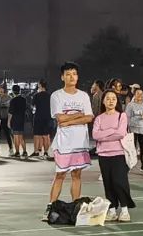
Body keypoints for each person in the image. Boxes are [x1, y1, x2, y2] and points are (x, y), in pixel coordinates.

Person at [44, 62, 94, 222]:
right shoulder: (57, 95)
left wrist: (69, 121)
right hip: (64, 143)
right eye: (68, 74)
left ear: (77, 76)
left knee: (77, 175)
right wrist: (78, 115)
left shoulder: (84, 96)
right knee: (60, 174)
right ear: (62, 77)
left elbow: (89, 117)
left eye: (74, 74)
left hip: (80, 143)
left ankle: (75, 208)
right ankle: (50, 207)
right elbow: (60, 118)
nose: (71, 77)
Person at [92, 88, 135, 222]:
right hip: (103, 155)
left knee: (119, 182)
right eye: (108, 99)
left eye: (114, 99)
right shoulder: (99, 118)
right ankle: (112, 210)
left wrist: (104, 134)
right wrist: (112, 130)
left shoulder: (122, 116)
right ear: (103, 101)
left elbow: (121, 133)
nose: (111, 101)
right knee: (108, 183)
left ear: (117, 101)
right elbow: (95, 135)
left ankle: (124, 210)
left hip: (119, 154)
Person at [126, 85, 143, 169]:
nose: (140, 95)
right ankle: (130, 163)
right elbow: (127, 117)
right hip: (133, 129)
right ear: (135, 95)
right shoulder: (130, 105)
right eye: (138, 94)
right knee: (132, 147)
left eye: (141, 94)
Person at [31, 79, 54, 161]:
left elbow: (33, 107)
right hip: (48, 117)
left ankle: (36, 151)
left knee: (37, 135)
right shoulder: (50, 96)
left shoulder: (36, 95)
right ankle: (46, 152)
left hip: (38, 117)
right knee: (46, 136)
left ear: (40, 85)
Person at [9, 85, 30, 158]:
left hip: (15, 119)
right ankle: (24, 151)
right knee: (21, 136)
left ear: (13, 91)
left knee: (16, 136)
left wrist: (8, 121)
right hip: (22, 119)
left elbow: (10, 112)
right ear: (19, 90)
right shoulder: (23, 99)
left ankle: (17, 152)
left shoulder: (13, 100)